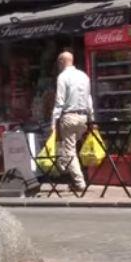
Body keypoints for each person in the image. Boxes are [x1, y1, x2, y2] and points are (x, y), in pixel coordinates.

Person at [50, 49, 93, 191]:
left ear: (62, 62)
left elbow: (59, 101)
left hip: (69, 117)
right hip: (83, 118)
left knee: (69, 151)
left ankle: (79, 183)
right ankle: (70, 171)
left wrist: (53, 121)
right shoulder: (84, 76)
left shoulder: (62, 77)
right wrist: (92, 118)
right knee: (74, 148)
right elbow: (89, 98)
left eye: (58, 62)